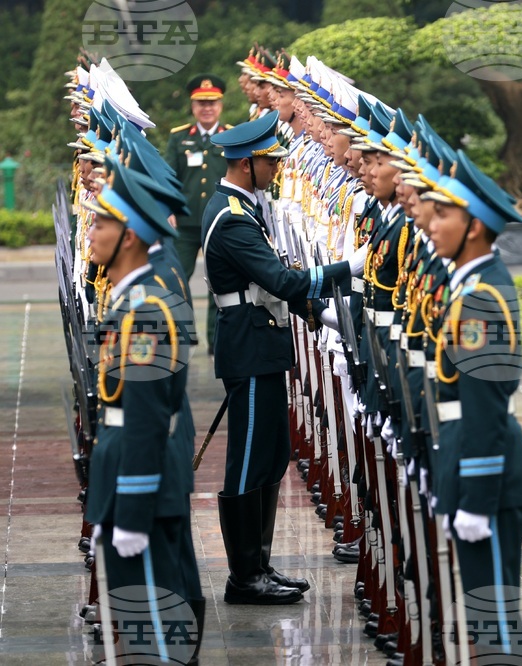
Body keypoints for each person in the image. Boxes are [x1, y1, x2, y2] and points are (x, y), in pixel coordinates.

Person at [202, 111, 351, 604]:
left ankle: (260, 567)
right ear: (247, 164)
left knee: (268, 455)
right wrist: (346, 269)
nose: (277, 169)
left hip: (261, 347)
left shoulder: (244, 207)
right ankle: (244, 577)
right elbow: (283, 283)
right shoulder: (231, 218)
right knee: (247, 463)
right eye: (270, 162)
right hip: (248, 349)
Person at [83, 157, 203, 665]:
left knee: (152, 634)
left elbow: (147, 419)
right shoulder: (134, 301)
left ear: (129, 235)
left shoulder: (147, 311)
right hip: (131, 480)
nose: (91, 232)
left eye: (100, 222)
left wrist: (129, 511)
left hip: (141, 492)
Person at [423, 150, 522, 662]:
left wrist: (476, 498)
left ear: (474, 227)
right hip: (468, 463)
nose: (429, 224)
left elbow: (486, 407)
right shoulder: (470, 285)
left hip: (487, 478)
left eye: (442, 214)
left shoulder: (481, 300)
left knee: (495, 630)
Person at [164, 74, 231, 354]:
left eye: (212, 103)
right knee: (176, 276)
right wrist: (168, 208)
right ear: (193, 106)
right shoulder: (179, 138)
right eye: (201, 103)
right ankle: (184, 333)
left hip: (219, 222)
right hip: (187, 222)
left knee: (219, 282)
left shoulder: (230, 136)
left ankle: (218, 341)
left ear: (221, 105)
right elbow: (168, 177)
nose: (207, 108)